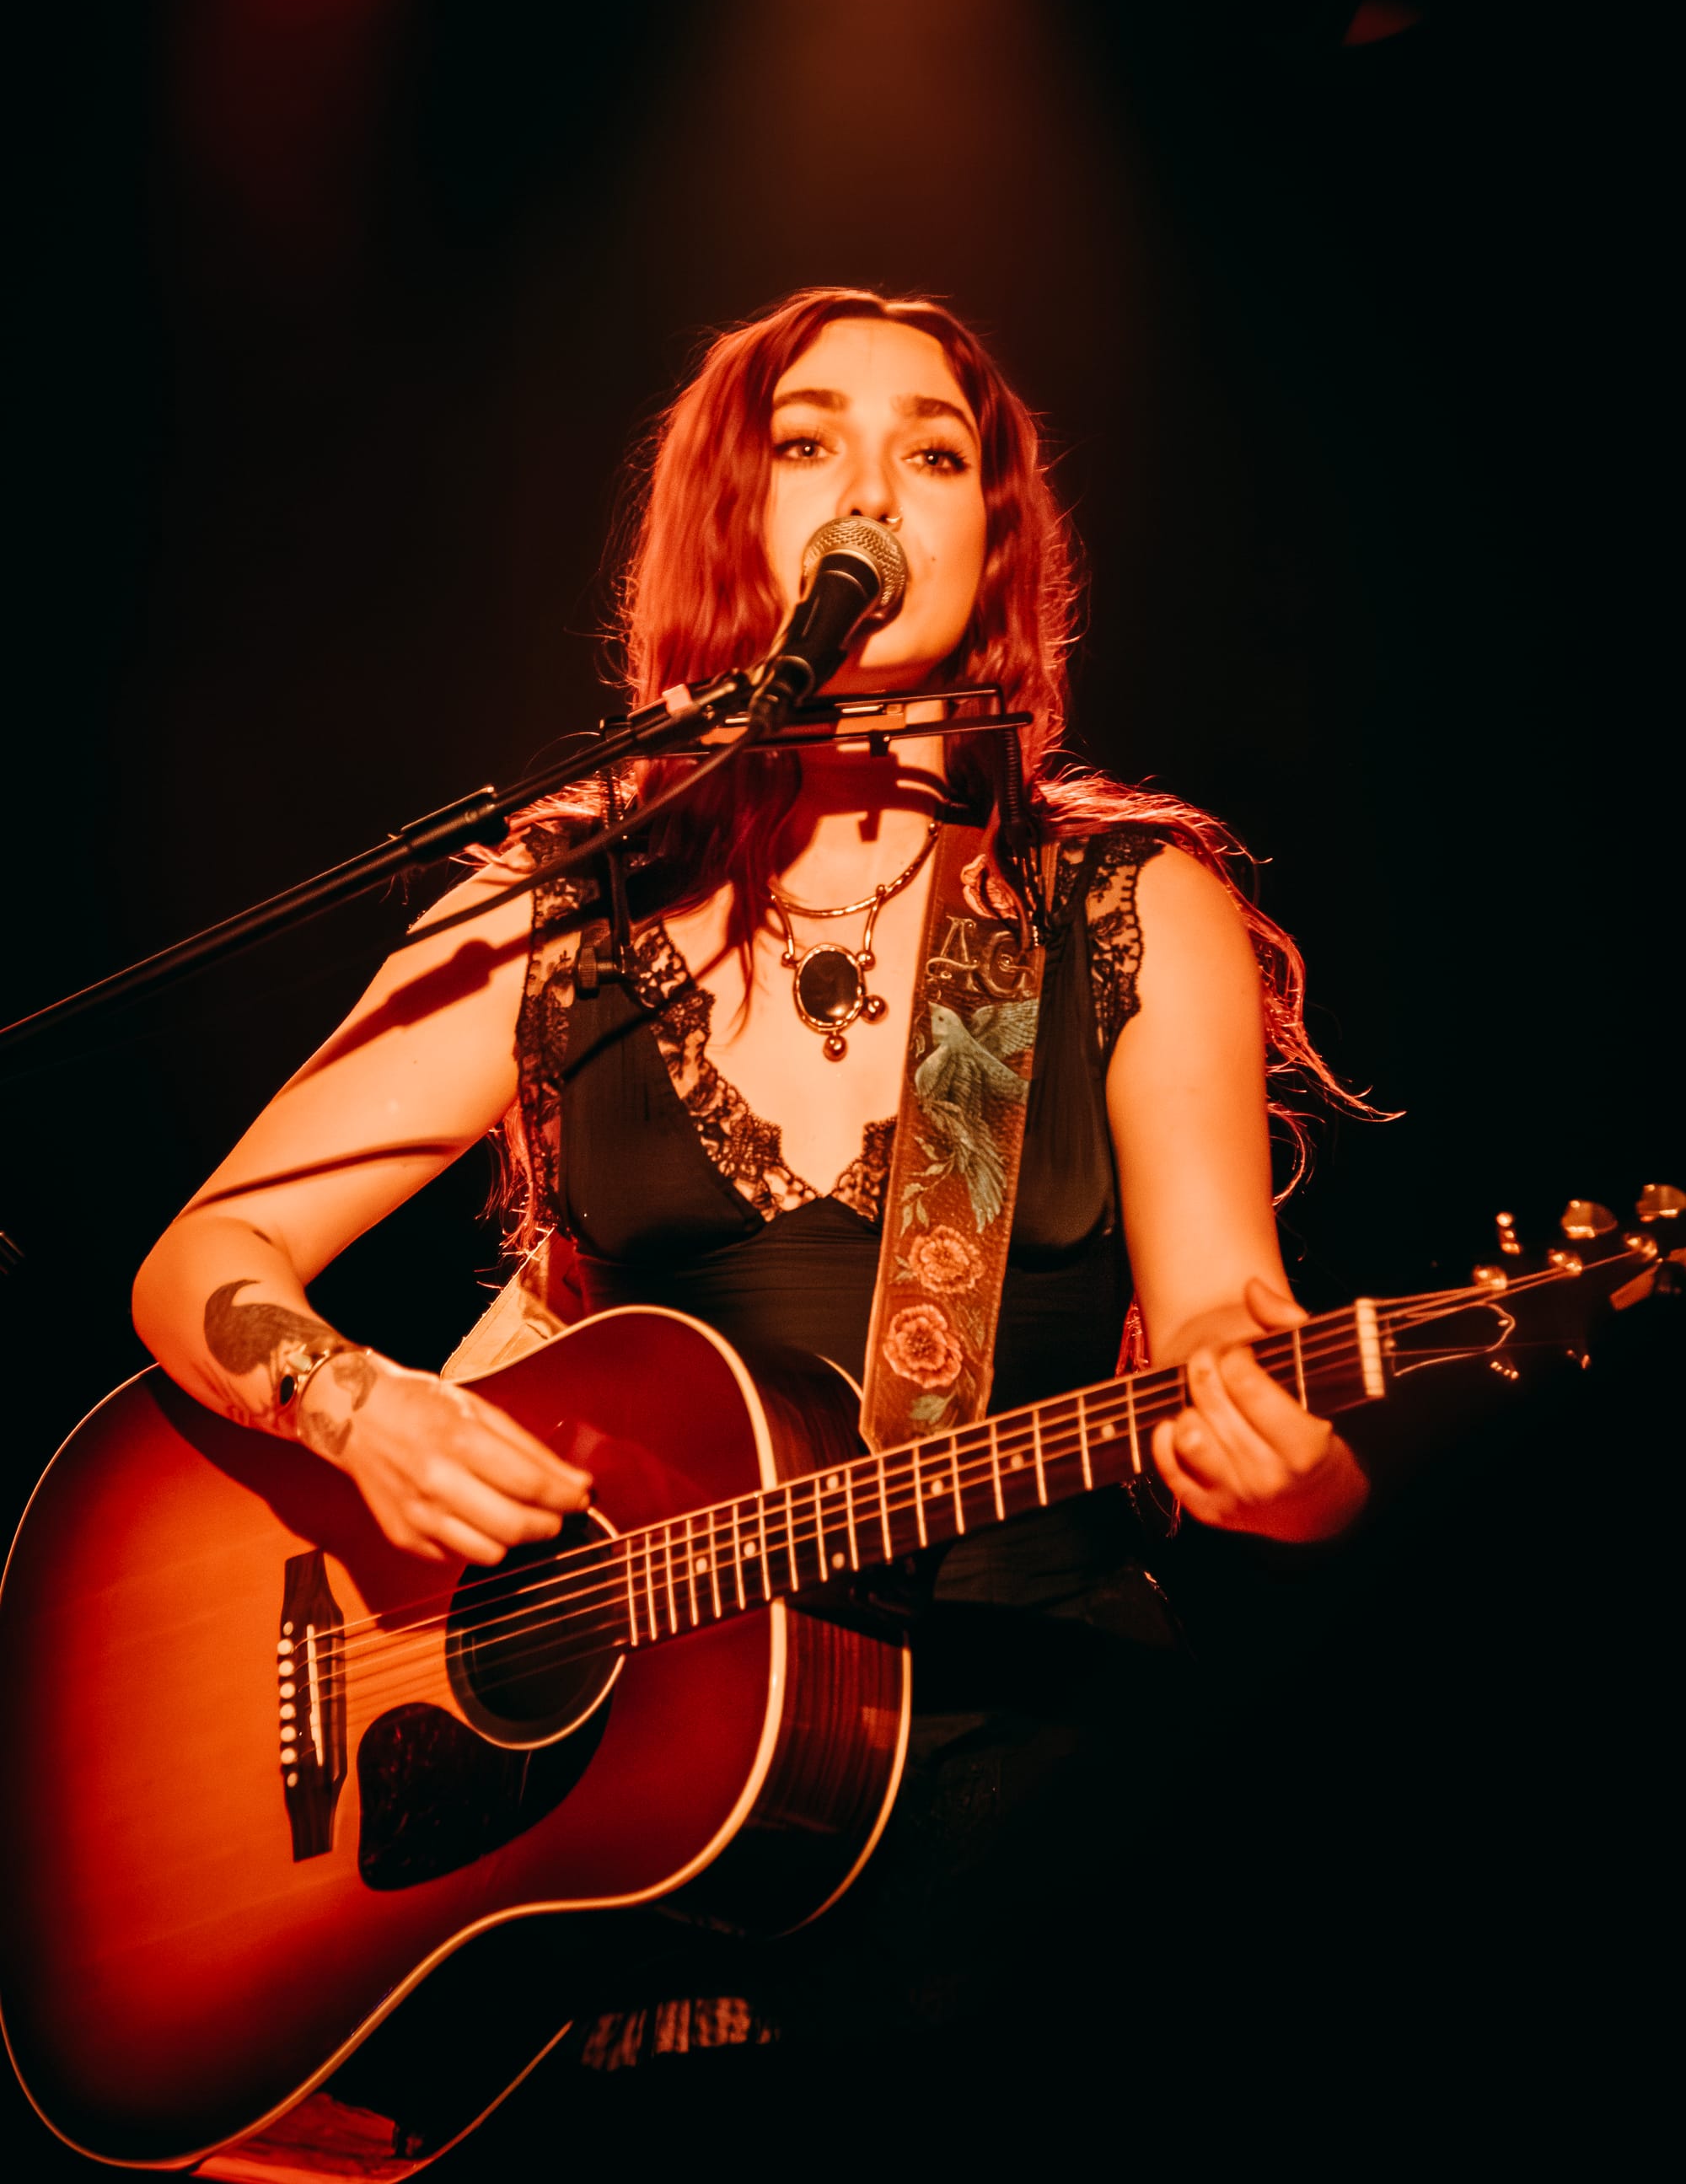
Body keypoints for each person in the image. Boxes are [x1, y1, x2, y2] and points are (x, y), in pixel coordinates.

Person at [132, 287, 1372, 2117]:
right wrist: (357, 1404)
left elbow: (1221, 1330)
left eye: (933, 455)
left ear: (992, 542)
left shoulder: (1117, 904)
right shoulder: (564, 903)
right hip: (625, 1851)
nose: (873, 485)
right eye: (809, 443)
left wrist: (1289, 1465)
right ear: (732, 514)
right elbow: (204, 1257)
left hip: (1030, 1841)